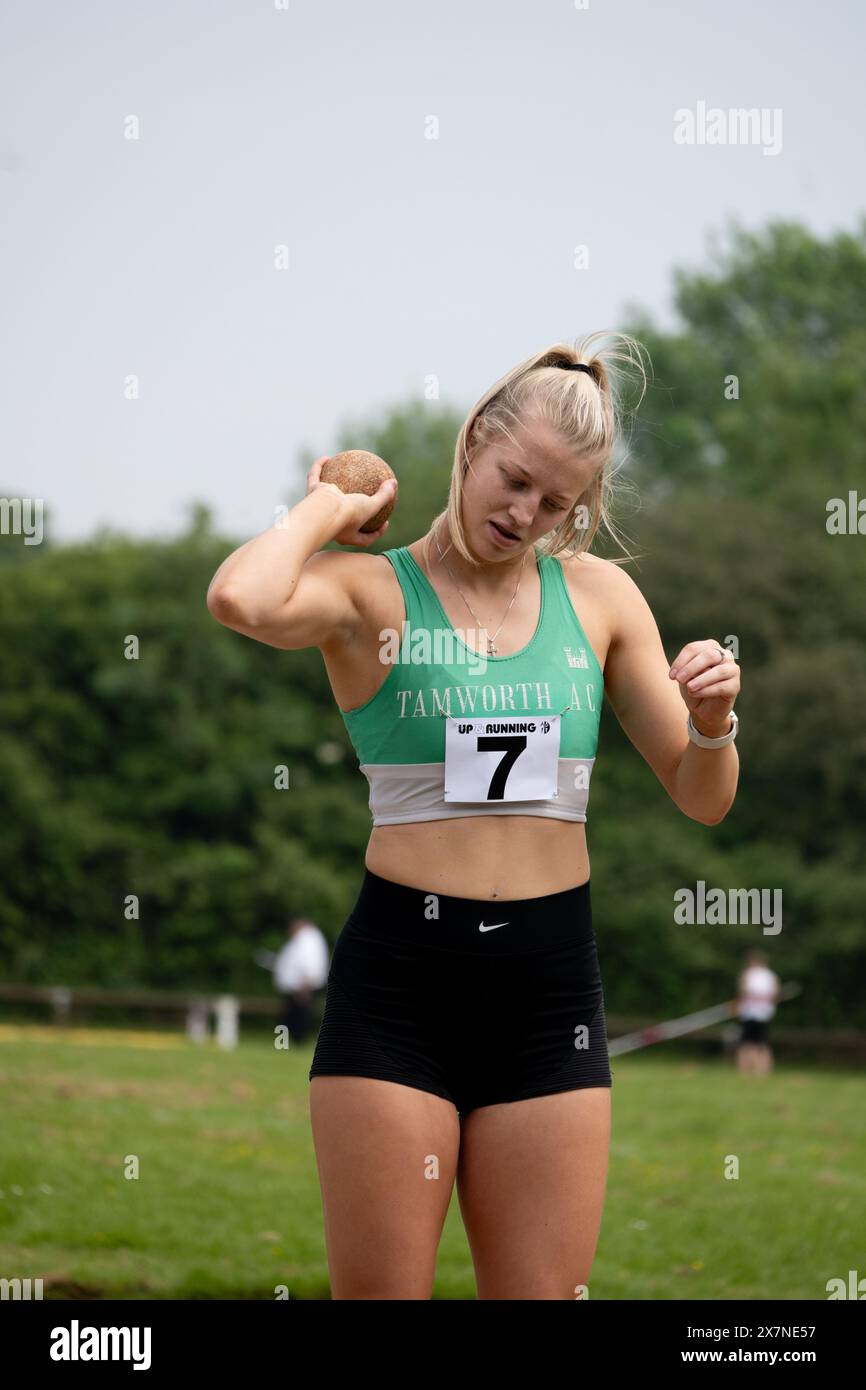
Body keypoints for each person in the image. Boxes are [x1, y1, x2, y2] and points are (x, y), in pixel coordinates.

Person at [205, 333, 741, 1299]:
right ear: (472, 443)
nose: (524, 513)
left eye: (557, 503)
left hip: (549, 994)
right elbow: (240, 596)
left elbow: (704, 798)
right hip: (400, 989)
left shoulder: (603, 600)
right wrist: (336, 501)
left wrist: (713, 723)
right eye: (514, 479)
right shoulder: (371, 593)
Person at [272, 915, 329, 1045]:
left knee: (298, 1017)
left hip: (301, 987)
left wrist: (305, 985)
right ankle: (285, 1043)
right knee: (290, 1016)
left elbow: (309, 963)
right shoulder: (305, 938)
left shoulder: (308, 939)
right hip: (296, 987)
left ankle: (294, 1042)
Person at [735, 950, 780, 1076]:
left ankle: (755, 1069)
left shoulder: (756, 974)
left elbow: (743, 989)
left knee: (753, 1042)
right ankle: (752, 1069)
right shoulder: (767, 975)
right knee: (753, 1042)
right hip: (753, 1012)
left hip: (759, 1013)